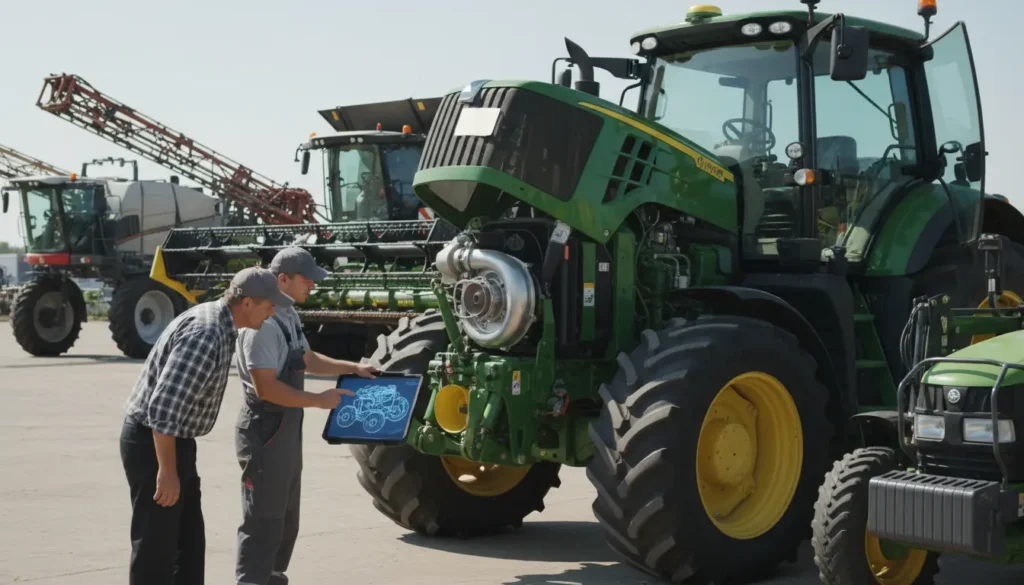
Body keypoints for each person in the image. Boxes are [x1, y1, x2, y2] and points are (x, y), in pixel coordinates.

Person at [119, 266, 290, 585]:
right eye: (269, 305)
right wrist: (167, 471)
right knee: (157, 547)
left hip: (176, 440)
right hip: (154, 443)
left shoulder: (220, 323)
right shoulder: (207, 333)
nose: (273, 312)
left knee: (188, 544)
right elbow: (163, 409)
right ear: (248, 303)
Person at [234, 246, 378, 585]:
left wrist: (354, 368)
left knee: (285, 516)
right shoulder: (263, 326)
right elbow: (265, 388)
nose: (312, 285)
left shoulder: (287, 315)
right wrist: (318, 400)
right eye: (306, 279)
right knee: (262, 519)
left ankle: (271, 576)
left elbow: (307, 360)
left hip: (285, 427)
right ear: (282, 279)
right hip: (266, 428)